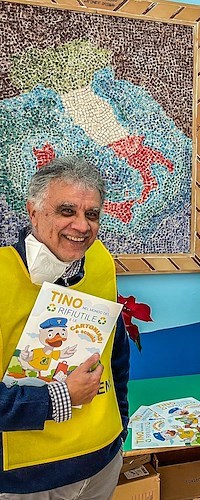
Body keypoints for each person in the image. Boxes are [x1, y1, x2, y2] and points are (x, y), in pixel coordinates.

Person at [0, 158, 130, 498]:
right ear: (33, 211)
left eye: (91, 214)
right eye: (66, 211)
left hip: (99, 461)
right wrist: (60, 397)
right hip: (27, 479)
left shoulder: (100, 259)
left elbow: (115, 354)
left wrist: (119, 429)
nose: (81, 226)